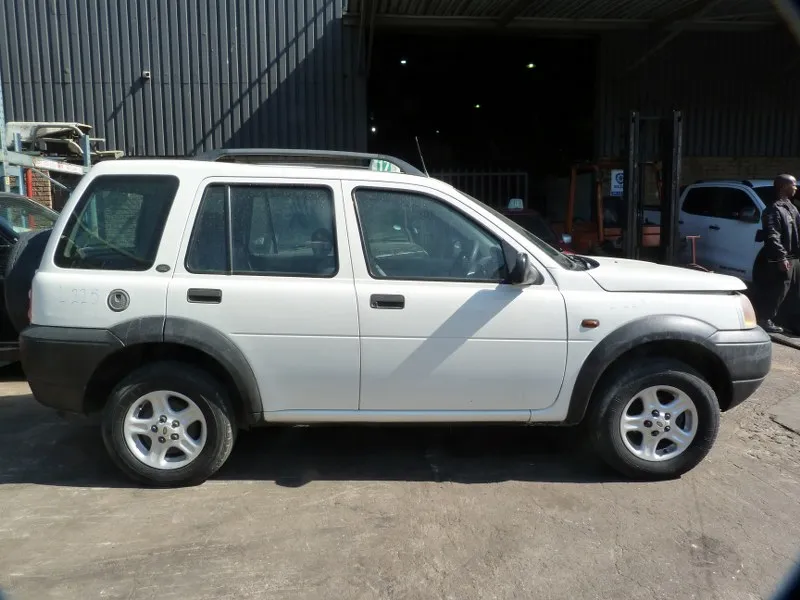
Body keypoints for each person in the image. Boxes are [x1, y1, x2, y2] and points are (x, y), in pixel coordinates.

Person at [757, 174, 800, 333]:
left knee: (795, 291)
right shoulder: (774, 209)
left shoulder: (791, 207)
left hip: (794, 257)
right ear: (783, 186)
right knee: (778, 289)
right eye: (793, 184)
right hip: (781, 257)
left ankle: (793, 323)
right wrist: (781, 256)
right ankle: (764, 319)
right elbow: (772, 235)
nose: (795, 187)